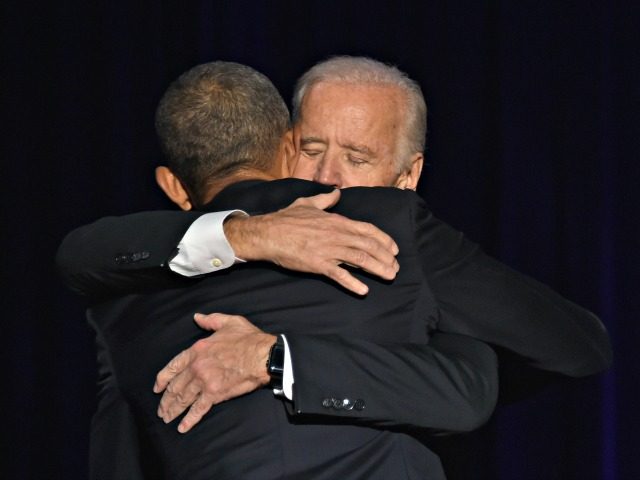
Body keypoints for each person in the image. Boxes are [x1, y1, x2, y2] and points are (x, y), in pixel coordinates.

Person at [58, 58, 611, 478]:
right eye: (313, 148)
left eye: (358, 157)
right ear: (284, 145)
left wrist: (280, 359)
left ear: (407, 176)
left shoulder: (401, 236)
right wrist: (249, 234)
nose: (327, 179)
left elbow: (568, 348)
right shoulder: (146, 274)